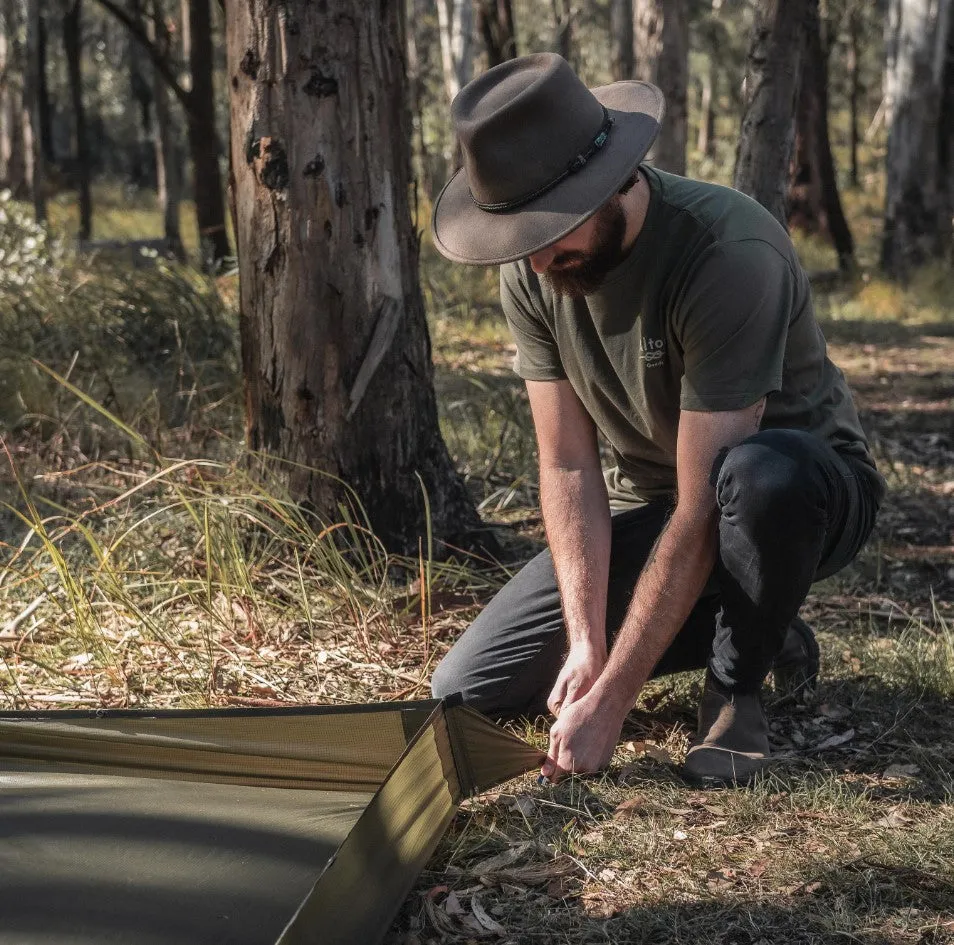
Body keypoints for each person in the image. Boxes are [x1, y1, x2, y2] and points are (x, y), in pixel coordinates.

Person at [428, 53, 884, 786]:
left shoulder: (726, 251)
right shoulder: (533, 267)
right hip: (666, 504)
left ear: (611, 181)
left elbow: (709, 498)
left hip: (797, 494)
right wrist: (585, 645)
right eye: (521, 236)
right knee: (465, 690)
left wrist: (614, 697)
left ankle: (737, 681)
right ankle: (760, 629)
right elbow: (568, 463)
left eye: (553, 226)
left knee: (759, 479)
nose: (540, 259)